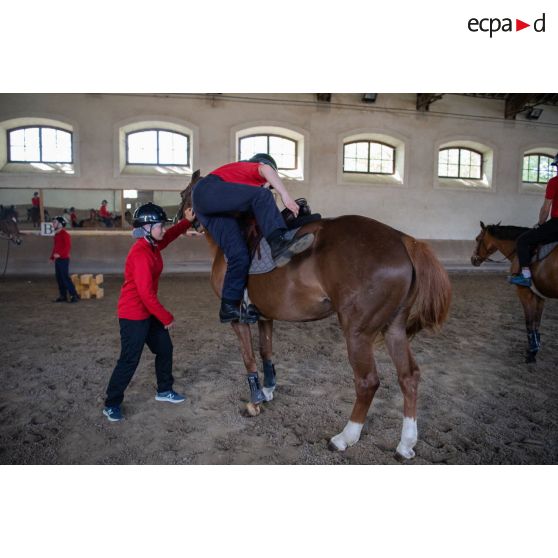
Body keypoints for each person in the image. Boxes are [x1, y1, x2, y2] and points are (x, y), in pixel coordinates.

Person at [192, 153, 315, 324]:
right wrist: (285, 196)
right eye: (270, 182)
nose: (269, 186)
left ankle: (228, 307)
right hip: (206, 191)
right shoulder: (249, 169)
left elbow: (261, 219)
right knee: (262, 195)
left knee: (239, 255)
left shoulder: (241, 194)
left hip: (214, 211)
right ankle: (278, 245)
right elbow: (264, 170)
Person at [103, 203, 194, 422]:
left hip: (147, 311)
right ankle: (111, 403)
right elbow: (144, 293)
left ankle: (164, 390)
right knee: (129, 360)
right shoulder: (141, 253)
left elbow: (169, 236)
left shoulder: (152, 245)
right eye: (159, 226)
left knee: (165, 348)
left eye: (162, 226)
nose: (163, 229)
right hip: (133, 314)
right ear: (146, 228)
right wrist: (165, 317)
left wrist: (186, 222)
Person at [509, 153, 558, 287]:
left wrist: (540, 224)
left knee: (523, 241)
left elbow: (546, 208)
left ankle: (525, 276)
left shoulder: (554, 182)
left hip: (556, 225)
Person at [50, 216, 80, 303]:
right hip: (58, 260)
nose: (53, 224)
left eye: (55, 222)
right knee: (59, 278)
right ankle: (63, 295)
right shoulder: (56, 235)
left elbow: (67, 247)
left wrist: (60, 254)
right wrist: (52, 257)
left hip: (63, 259)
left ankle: (74, 295)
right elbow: (55, 247)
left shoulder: (65, 235)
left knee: (65, 278)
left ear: (60, 224)